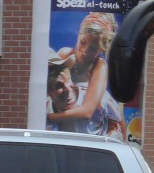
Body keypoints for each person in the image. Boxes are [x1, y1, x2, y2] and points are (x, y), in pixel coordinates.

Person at [47, 12, 126, 140]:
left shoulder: (100, 67)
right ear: (78, 36)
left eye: (93, 48)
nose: (84, 50)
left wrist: (49, 118)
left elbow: (87, 111)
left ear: (102, 49)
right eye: (83, 42)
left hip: (99, 128)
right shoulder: (65, 54)